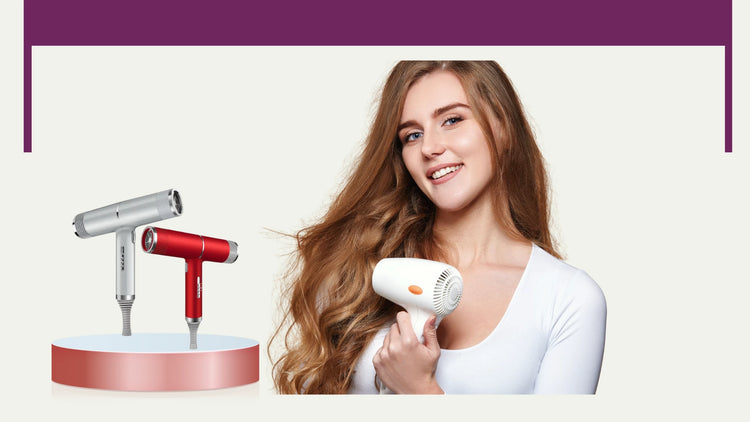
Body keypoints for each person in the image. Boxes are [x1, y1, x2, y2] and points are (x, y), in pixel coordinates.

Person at [270, 61, 606, 394]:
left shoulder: (569, 299)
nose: (430, 148)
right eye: (412, 135)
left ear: (503, 128)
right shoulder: (358, 266)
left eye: (453, 120)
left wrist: (420, 390)